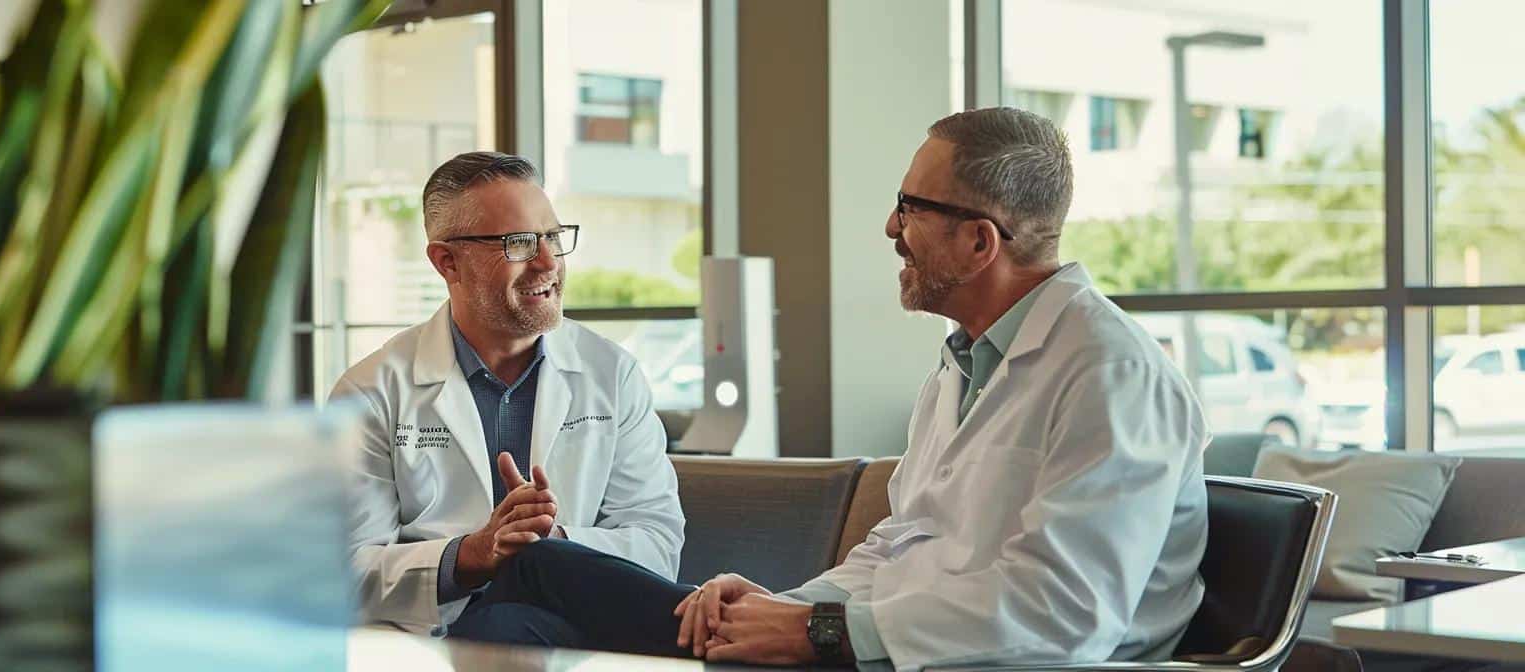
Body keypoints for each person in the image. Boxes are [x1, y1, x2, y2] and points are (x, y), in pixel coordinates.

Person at [459, 107, 1211, 670]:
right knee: (530, 604)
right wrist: (782, 608)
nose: (891, 225)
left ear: (981, 241)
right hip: (873, 650)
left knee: (540, 578)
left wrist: (819, 632)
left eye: (913, 209)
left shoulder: (1112, 376)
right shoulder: (966, 365)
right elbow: (899, 545)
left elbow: (1066, 615)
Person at [333, 151, 685, 639]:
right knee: (504, 619)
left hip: (575, 631)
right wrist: (472, 555)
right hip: (433, 641)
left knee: (532, 576)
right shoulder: (370, 392)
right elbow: (342, 572)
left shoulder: (612, 374)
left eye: (553, 238)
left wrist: (554, 543)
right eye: (519, 243)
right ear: (447, 261)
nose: (547, 262)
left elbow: (657, 542)